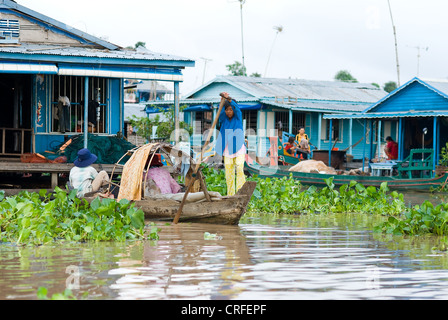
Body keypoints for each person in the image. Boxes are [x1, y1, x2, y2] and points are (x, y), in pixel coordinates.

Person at [215, 92, 246, 196]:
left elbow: (237, 109)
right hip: (227, 149)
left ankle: (240, 193)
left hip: (238, 148)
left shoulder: (238, 118)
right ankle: (230, 195)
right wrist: (222, 100)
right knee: (229, 173)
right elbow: (220, 112)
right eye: (227, 110)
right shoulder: (223, 120)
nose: (229, 112)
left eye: (231, 109)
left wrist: (229, 99)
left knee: (240, 168)